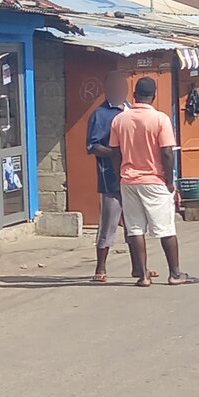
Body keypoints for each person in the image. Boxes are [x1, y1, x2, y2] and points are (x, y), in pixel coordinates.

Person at [109, 76, 199, 288]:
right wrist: (169, 181)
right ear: (154, 95)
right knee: (165, 228)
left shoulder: (119, 120)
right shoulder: (160, 119)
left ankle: (143, 276)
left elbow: (114, 152)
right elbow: (167, 153)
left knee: (135, 229)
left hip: (128, 180)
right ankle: (175, 273)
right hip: (155, 180)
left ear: (134, 95)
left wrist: (120, 175)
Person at [85, 71, 139, 283]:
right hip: (111, 179)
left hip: (134, 177)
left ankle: (139, 267)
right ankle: (101, 268)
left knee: (135, 223)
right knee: (109, 222)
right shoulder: (100, 114)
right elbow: (92, 146)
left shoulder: (131, 110)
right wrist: (115, 152)